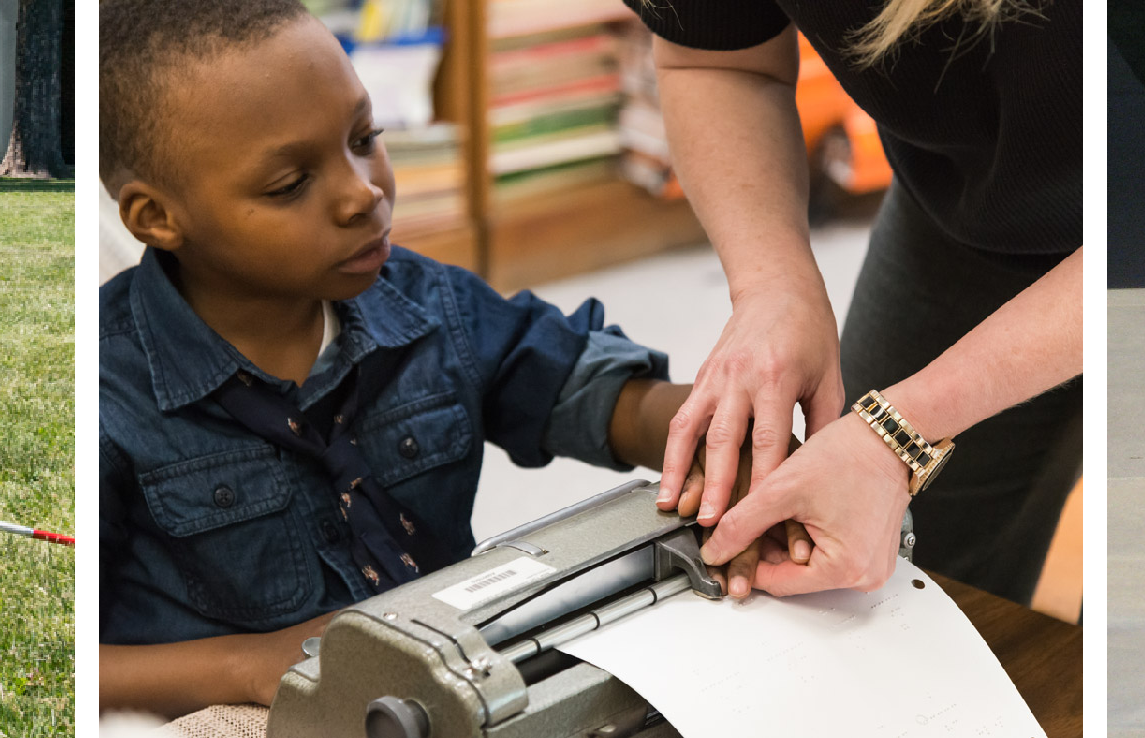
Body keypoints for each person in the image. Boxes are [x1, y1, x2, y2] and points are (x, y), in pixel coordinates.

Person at [94, 0, 791, 716]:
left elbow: (596, 393)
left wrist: (718, 436)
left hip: (452, 695)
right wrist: (246, 667)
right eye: (290, 185)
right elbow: (74, 662)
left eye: (365, 137)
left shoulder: (432, 306)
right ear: (157, 219)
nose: (363, 193)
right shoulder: (101, 393)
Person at [625, 0, 1084, 603]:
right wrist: (772, 284)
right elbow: (716, 59)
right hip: (966, 212)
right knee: (894, 571)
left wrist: (903, 430)